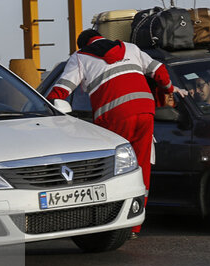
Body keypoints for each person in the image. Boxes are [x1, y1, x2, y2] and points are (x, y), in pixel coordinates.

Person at [47, 29, 186, 233]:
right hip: (145, 111)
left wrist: (47, 110)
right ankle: (135, 225)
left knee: (114, 170)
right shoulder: (131, 48)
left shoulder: (81, 57)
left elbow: (61, 91)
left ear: (83, 45)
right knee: (141, 166)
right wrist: (166, 92)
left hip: (114, 117)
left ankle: (111, 223)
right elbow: (160, 72)